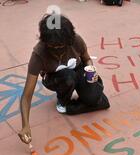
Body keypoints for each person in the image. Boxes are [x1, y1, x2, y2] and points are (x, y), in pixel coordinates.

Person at [18, 14, 110, 145]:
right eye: (52, 47)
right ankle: (63, 101)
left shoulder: (76, 40)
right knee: (68, 76)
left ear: (69, 40)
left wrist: (91, 69)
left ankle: (72, 108)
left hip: (78, 71)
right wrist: (25, 125)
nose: (57, 50)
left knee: (94, 98)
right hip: (55, 78)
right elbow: (26, 96)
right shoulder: (39, 54)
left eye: (61, 46)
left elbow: (87, 59)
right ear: (45, 41)